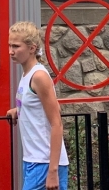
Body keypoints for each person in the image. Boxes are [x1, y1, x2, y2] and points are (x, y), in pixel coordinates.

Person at [6, 21, 68, 190]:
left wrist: (53, 171)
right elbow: (45, 106)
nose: (11, 51)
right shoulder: (27, 73)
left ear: (32, 48)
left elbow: (57, 122)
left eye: (16, 46)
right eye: (9, 45)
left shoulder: (39, 76)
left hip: (45, 162)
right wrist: (19, 110)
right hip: (34, 159)